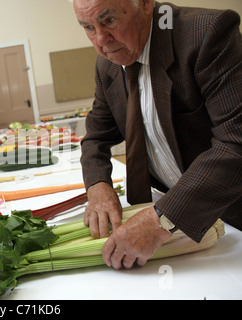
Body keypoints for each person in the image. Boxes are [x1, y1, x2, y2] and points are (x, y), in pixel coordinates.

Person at [75, 0, 242, 269]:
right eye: (88, 27)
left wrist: (160, 220)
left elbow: (236, 143)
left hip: (232, 212)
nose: (101, 40)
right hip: (178, 214)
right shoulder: (106, 66)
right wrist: (97, 186)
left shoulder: (206, 33)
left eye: (109, 21)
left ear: (145, 4)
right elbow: (96, 138)